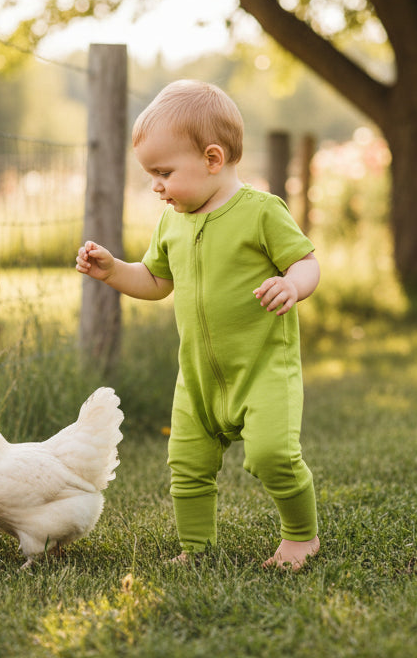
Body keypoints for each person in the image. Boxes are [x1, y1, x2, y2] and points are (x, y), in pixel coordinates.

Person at [76, 79, 322, 571]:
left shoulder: (261, 212)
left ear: (213, 159)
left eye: (164, 172)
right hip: (197, 378)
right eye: (151, 174)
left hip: (262, 370)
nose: (156, 186)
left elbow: (306, 261)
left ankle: (301, 537)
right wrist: (114, 271)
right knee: (187, 465)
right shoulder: (172, 223)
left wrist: (292, 285)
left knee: (272, 455)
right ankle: (196, 548)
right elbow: (155, 281)